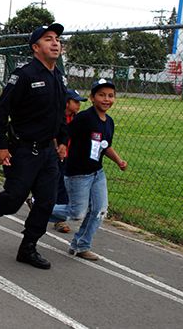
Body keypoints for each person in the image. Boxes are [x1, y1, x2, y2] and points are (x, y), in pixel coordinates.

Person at [0, 24, 68, 270]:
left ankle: (28, 247)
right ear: (36, 47)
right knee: (13, 201)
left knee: (46, 202)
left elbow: (60, 113)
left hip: (48, 153)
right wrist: (0, 147)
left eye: (57, 39)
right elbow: (1, 113)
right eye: (48, 39)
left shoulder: (58, 76)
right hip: (23, 150)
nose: (55, 43)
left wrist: (63, 141)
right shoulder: (24, 75)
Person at [61, 78, 127, 261]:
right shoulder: (84, 118)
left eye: (110, 96)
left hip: (97, 173)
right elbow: (65, 132)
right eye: (101, 95)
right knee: (77, 213)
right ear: (92, 98)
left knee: (99, 210)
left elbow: (105, 146)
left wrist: (119, 161)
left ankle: (81, 245)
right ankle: (40, 206)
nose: (106, 99)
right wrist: (62, 146)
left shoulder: (109, 122)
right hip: (78, 173)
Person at [27, 89, 88, 234]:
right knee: (57, 184)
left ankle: (41, 205)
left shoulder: (76, 118)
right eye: (75, 102)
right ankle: (57, 218)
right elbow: (53, 134)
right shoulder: (57, 116)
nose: (78, 105)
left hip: (69, 157)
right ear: (66, 102)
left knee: (63, 185)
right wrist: (57, 149)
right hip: (54, 155)